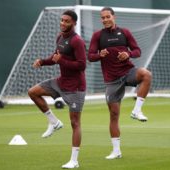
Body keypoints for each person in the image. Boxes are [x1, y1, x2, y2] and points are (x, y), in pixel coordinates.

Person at [88, 7, 152, 159]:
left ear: (113, 17)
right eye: (102, 18)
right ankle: (116, 151)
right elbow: (90, 56)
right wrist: (99, 55)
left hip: (128, 72)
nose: (105, 20)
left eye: (107, 17)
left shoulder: (125, 32)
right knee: (114, 115)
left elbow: (137, 51)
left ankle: (137, 110)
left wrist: (128, 54)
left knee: (146, 74)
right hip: (111, 80)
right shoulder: (97, 36)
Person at [28, 10, 86, 168]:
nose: (63, 23)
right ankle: (54, 122)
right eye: (61, 20)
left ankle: (74, 161)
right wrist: (42, 61)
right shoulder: (60, 37)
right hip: (61, 82)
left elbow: (82, 65)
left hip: (76, 88)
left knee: (75, 123)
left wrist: (63, 61)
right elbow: (55, 58)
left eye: (66, 21)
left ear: (74, 23)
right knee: (33, 92)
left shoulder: (77, 41)